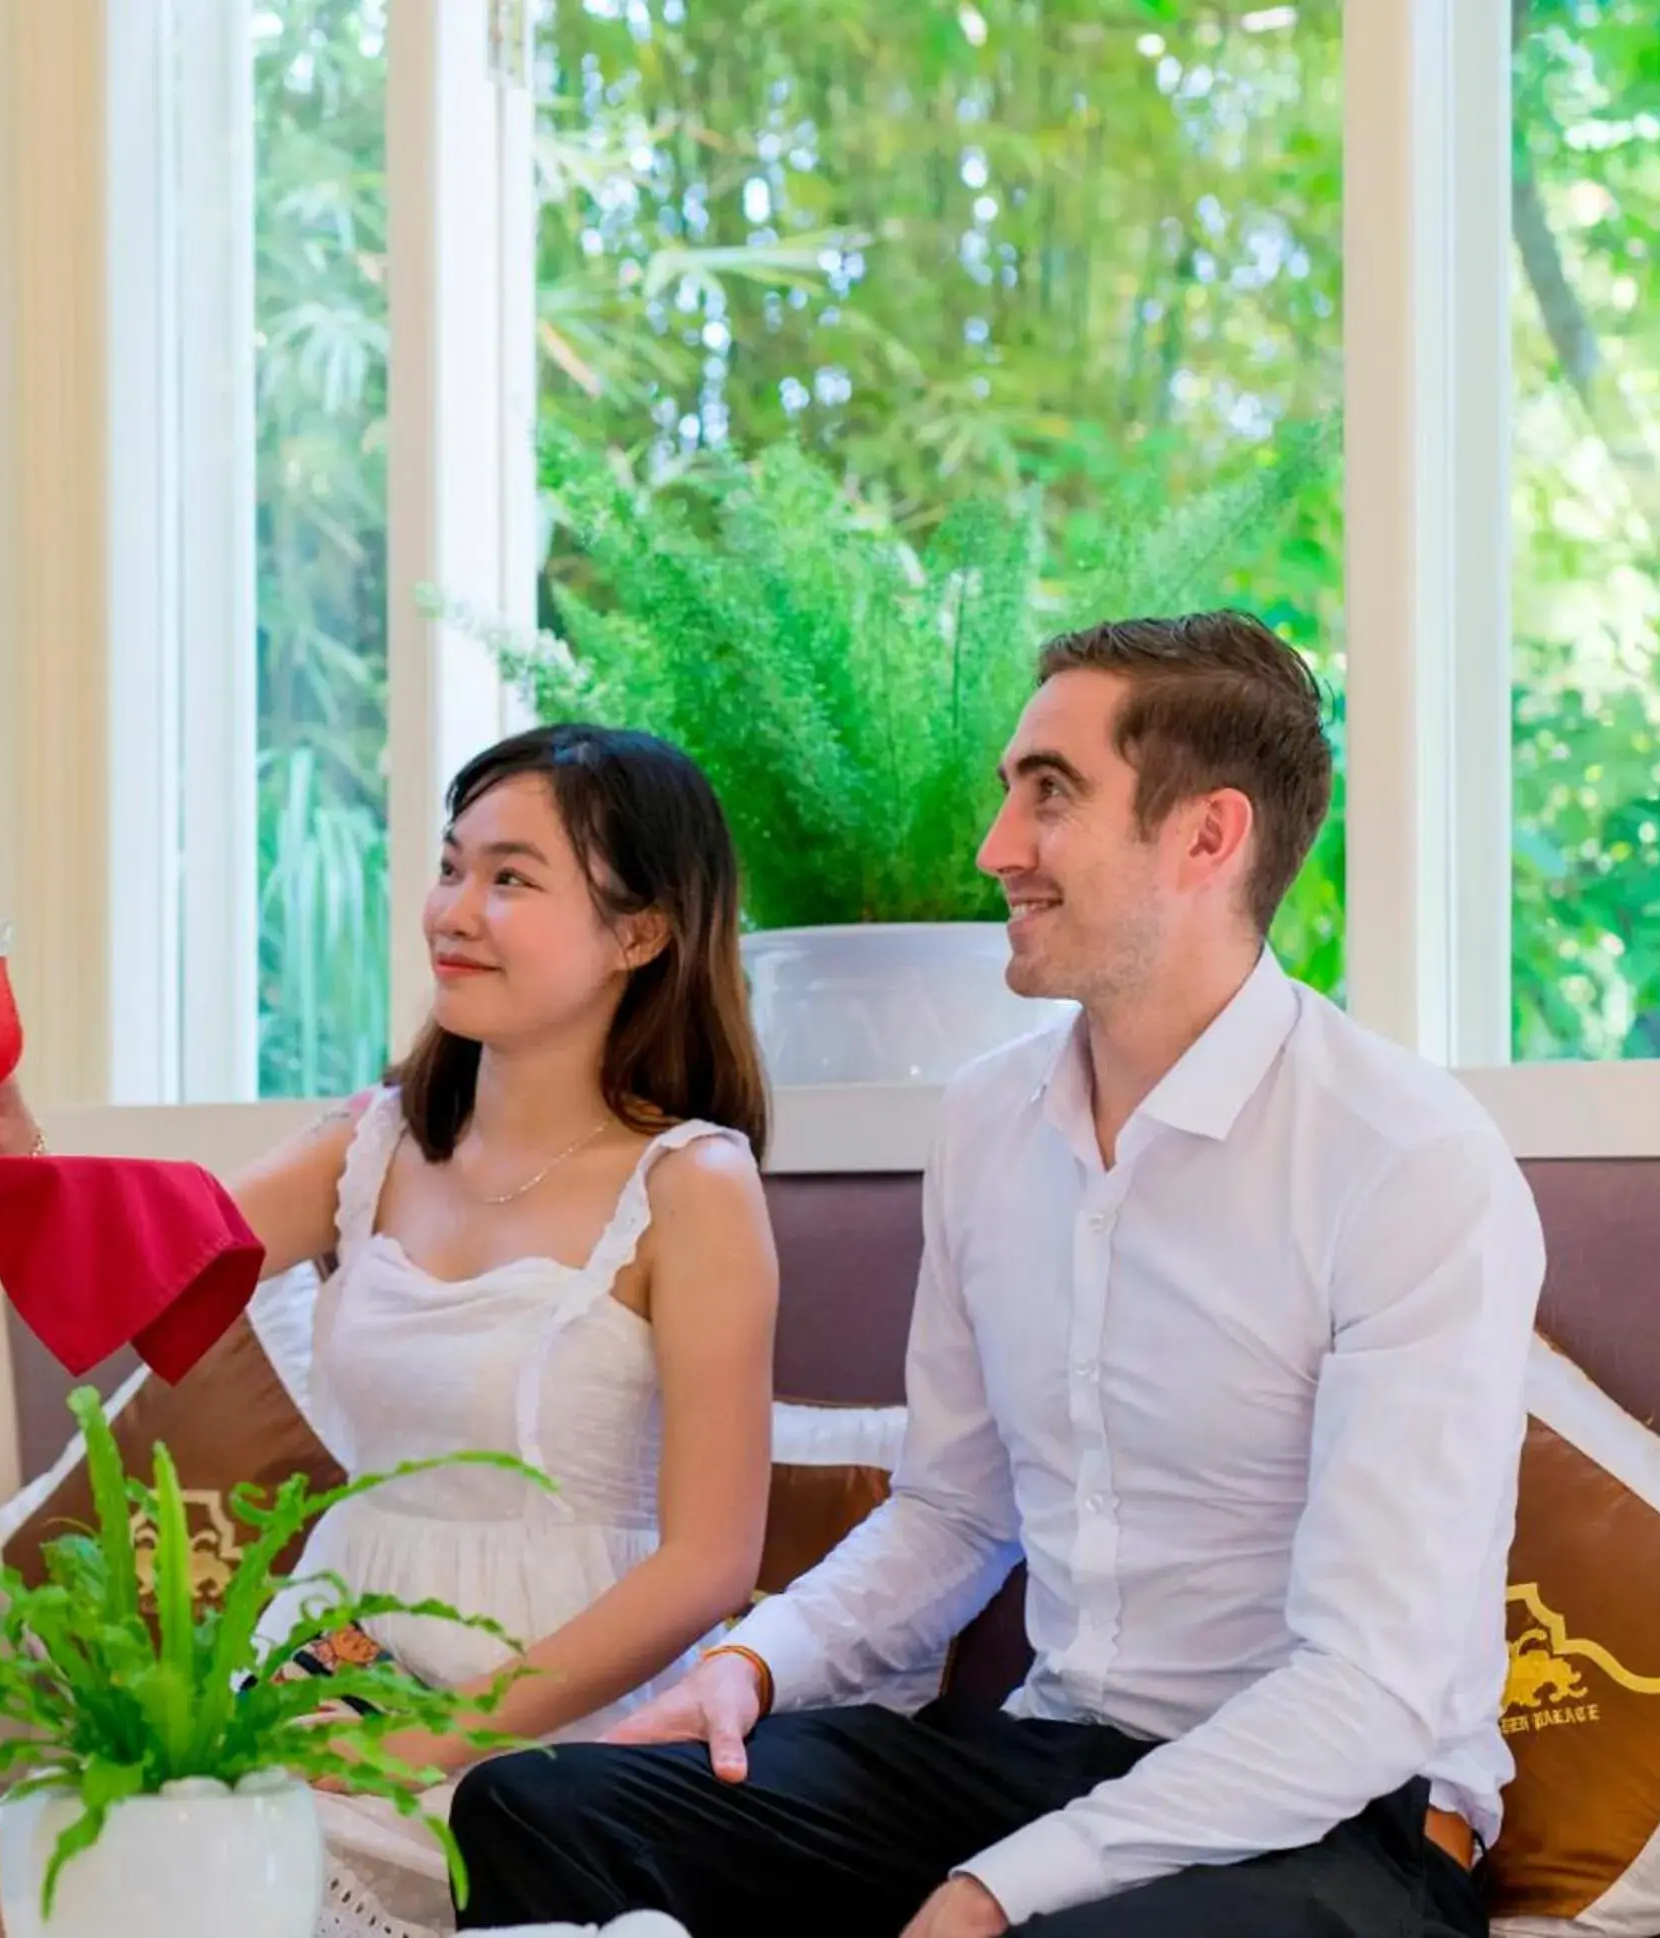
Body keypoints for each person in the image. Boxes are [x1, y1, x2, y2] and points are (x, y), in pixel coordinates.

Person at [449, 613, 1545, 1938]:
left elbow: (1369, 1690)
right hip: (1050, 1752)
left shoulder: (1409, 1159)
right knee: (537, 1804)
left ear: (1208, 837)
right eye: (1008, 793)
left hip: (1341, 1814)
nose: (996, 849)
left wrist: (997, 1888)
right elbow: (956, 1514)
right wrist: (751, 1659)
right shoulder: (987, 1121)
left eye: (1051, 795)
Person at [0, 724, 783, 1938]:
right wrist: (18, 1159)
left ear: (640, 933)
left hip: (546, 1723)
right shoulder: (375, 1140)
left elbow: (709, 1564)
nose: (454, 910)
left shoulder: (694, 1186)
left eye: (512, 878)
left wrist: (431, 1740)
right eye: (449, 866)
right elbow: (162, 1269)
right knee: (19, 1870)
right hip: (323, 1676)